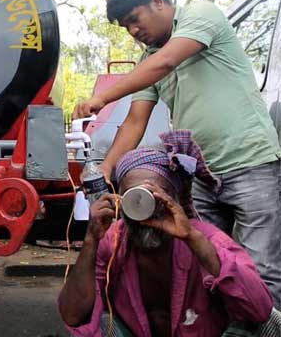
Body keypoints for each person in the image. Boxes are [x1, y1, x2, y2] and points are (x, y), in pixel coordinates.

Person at [72, 0, 281, 306]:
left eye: (134, 20)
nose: (133, 32)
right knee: (208, 266)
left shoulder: (202, 14)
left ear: (158, 1)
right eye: (126, 27)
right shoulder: (148, 60)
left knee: (262, 271)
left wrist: (103, 98)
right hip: (200, 177)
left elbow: (167, 61)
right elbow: (134, 122)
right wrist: (106, 170)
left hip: (250, 163)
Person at [58, 130, 279, 336]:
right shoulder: (112, 241)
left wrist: (191, 237)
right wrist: (90, 241)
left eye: (157, 196)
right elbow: (73, 316)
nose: (145, 208)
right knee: (100, 325)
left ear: (174, 197)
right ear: (120, 200)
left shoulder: (205, 238)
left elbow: (260, 312)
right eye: (133, 198)